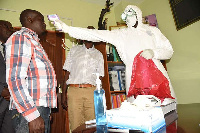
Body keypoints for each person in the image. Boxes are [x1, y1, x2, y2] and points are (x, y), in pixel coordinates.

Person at [52, 5, 176, 103]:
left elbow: (169, 50)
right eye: (124, 16)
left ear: (138, 14)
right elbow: (95, 34)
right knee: (140, 115)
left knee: (165, 112)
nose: (127, 18)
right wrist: (68, 29)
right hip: (134, 79)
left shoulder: (152, 31)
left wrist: (154, 52)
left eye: (130, 14)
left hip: (158, 77)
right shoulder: (121, 34)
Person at [6, 9, 57, 133]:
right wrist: (32, 115)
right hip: (30, 111)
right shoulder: (20, 38)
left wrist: (46, 110)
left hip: (39, 109)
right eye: (41, 20)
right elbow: (15, 79)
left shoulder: (34, 42)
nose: (44, 24)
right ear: (30, 19)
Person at [62, 26, 104, 131]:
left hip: (92, 91)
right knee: (76, 124)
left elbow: (100, 78)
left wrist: (100, 97)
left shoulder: (98, 54)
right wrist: (63, 94)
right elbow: (67, 73)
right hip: (74, 91)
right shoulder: (74, 50)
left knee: (92, 124)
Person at [0, 20, 15, 133]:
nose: (10, 29)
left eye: (11, 27)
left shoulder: (15, 49)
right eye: (6, 26)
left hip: (12, 102)